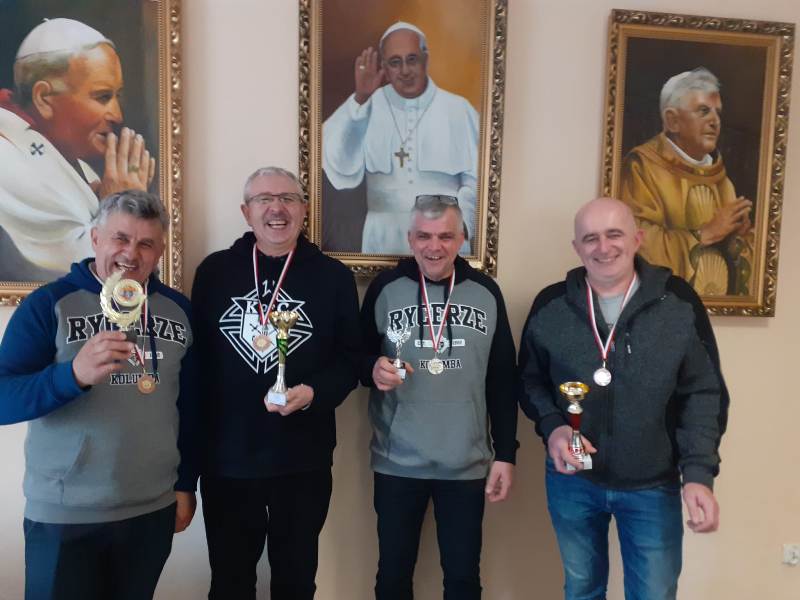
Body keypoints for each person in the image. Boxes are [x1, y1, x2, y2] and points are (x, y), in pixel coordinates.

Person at [518, 197, 729, 600]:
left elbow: (703, 393)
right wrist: (554, 427)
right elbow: (529, 380)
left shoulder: (678, 303)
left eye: (614, 234)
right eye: (590, 238)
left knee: (654, 594)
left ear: (637, 238)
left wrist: (698, 474)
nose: (603, 247)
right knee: (581, 589)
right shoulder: (551, 305)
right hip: (573, 481)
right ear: (576, 247)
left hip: (653, 483)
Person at [0, 189, 198, 600]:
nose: (131, 254)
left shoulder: (179, 310)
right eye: (120, 238)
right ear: (95, 239)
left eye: (146, 244)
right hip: (64, 515)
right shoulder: (48, 304)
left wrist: (185, 483)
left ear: (160, 251)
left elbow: (192, 406)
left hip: (151, 509)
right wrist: (71, 375)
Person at [191, 166, 361, 600]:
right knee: (229, 582)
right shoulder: (214, 272)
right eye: (264, 199)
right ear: (246, 212)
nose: (276, 209)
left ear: (304, 209)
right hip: (228, 459)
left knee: (296, 581)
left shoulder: (333, 277)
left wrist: (315, 393)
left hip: (302, 459)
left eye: (288, 198)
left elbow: (351, 360)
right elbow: (197, 367)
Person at [360, 194, 517, 599]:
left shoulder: (485, 291)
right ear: (410, 239)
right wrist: (372, 368)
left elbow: (502, 379)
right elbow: (356, 357)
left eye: (446, 236)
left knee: (463, 580)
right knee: (393, 576)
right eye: (424, 236)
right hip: (397, 461)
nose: (435, 247)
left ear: (462, 238)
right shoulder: (385, 288)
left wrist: (506, 453)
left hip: (465, 462)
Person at [0, 18, 157, 281]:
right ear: (43, 98)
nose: (117, 115)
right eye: (102, 97)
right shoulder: (6, 157)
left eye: (117, 96)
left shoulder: (74, 161)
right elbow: (87, 268)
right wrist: (119, 206)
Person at [323, 21, 478, 255]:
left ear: (426, 59)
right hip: (382, 237)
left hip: (443, 239)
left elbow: (478, 179)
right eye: (395, 62)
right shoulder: (367, 104)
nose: (405, 71)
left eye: (412, 59)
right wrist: (360, 99)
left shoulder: (458, 109)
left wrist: (463, 224)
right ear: (384, 68)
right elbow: (339, 166)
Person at [620, 67, 753, 296]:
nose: (715, 121)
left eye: (717, 113)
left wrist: (738, 240)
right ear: (672, 120)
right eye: (703, 111)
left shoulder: (723, 182)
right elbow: (634, 241)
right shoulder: (641, 167)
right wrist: (704, 234)